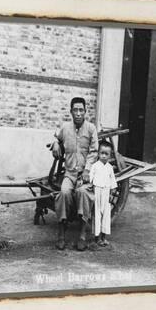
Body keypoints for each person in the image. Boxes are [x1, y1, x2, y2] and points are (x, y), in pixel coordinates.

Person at [51, 97, 98, 251]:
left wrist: (87, 170)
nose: (78, 113)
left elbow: (94, 152)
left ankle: (83, 235)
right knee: (63, 193)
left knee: (84, 193)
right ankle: (61, 234)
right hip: (70, 174)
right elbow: (56, 137)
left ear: (85, 112)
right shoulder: (65, 128)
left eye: (81, 110)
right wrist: (56, 143)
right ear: (71, 112)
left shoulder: (91, 129)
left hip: (85, 174)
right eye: (75, 110)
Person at [89, 140, 118, 246]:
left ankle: (104, 237)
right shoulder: (95, 166)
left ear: (110, 156)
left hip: (106, 192)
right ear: (98, 153)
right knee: (97, 214)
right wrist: (90, 188)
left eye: (106, 154)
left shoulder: (110, 168)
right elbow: (90, 179)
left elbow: (113, 182)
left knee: (106, 214)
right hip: (97, 192)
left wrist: (111, 194)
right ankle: (97, 238)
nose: (104, 156)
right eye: (102, 153)